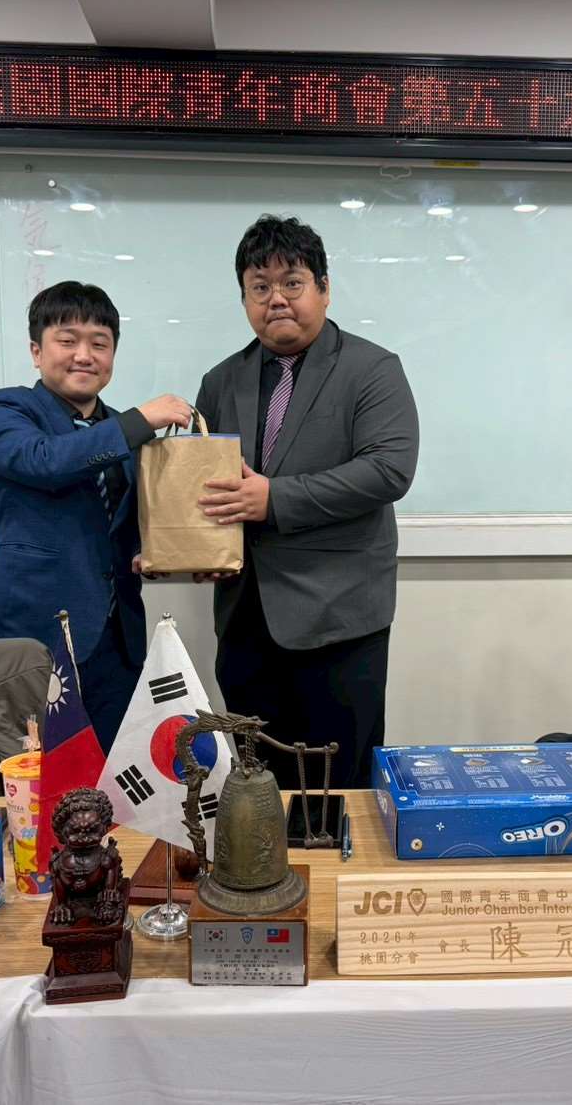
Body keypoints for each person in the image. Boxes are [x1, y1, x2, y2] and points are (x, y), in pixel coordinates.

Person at [194, 215, 419, 787]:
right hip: (244, 621)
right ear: (244, 298)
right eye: (259, 287)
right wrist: (193, 546)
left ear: (323, 288)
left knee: (335, 784)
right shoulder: (220, 381)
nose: (276, 299)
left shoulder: (372, 368)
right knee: (256, 785)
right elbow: (208, 479)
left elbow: (388, 470)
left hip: (337, 620)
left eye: (291, 283)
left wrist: (274, 499)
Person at [0, 281, 191, 750]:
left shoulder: (122, 431)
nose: (84, 355)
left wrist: (155, 550)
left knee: (112, 779)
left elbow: (129, 520)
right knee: (28, 777)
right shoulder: (4, 410)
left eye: (99, 344)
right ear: (36, 351)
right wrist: (139, 420)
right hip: (32, 639)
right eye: (67, 341)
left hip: (117, 643)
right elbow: (47, 461)